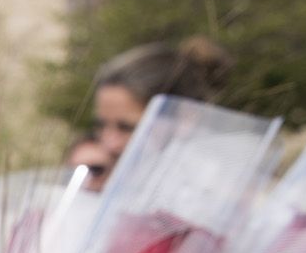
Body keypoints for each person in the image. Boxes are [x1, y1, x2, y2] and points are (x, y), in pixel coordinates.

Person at [91, 37, 233, 172]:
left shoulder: (221, 180)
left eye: (128, 128)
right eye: (101, 125)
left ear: (187, 118)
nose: (108, 144)